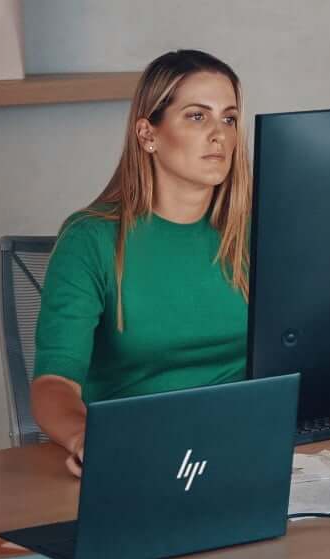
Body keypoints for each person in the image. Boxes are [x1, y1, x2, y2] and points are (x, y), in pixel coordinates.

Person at [30, 50, 252, 477]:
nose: (219, 136)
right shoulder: (91, 240)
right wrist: (83, 436)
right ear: (148, 134)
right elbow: (53, 383)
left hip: (244, 449)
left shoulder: (252, 231)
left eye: (229, 119)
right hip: (139, 456)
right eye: (196, 117)